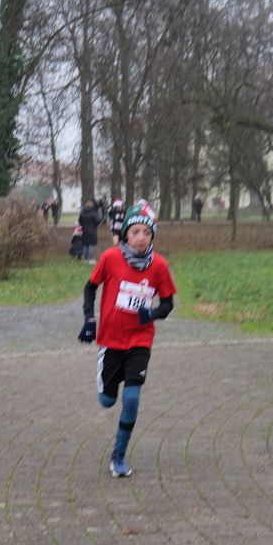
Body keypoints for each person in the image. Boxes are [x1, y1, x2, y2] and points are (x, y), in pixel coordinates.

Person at [78, 203, 176, 478]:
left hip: (139, 340)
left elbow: (167, 303)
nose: (141, 237)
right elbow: (90, 287)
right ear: (125, 235)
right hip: (111, 340)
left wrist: (152, 313)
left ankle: (118, 456)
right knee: (108, 400)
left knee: (131, 398)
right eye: (135, 232)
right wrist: (89, 319)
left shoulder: (159, 265)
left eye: (147, 232)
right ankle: (108, 384)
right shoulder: (110, 258)